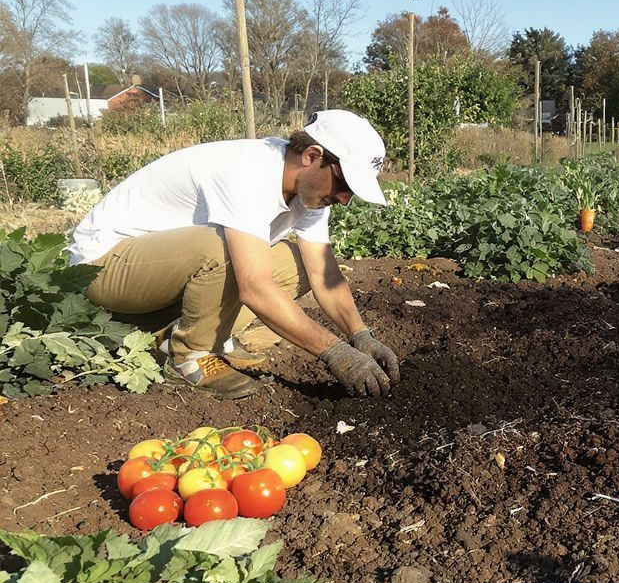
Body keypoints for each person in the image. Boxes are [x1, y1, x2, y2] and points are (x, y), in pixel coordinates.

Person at [67, 109, 402, 400]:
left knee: (297, 263)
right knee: (226, 250)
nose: (344, 199)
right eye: (343, 186)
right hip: (105, 266)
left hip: (161, 273)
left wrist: (360, 335)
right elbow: (253, 286)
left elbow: (324, 275)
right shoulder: (249, 171)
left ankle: (183, 334)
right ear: (313, 156)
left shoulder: (311, 192)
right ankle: (190, 357)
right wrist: (334, 352)